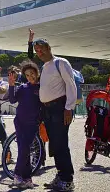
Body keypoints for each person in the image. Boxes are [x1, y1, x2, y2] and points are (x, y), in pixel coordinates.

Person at [32, 37, 76, 191]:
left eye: (41, 49)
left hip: (60, 108)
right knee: (55, 144)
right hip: (48, 110)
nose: (39, 53)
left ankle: (68, 180)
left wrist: (69, 108)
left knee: (61, 144)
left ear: (49, 47)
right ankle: (61, 175)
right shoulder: (45, 66)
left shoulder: (61, 63)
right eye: (37, 50)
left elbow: (71, 85)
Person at [8, 61, 42, 188]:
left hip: (33, 124)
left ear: (37, 73)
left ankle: (23, 177)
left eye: (32, 73)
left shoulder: (41, 88)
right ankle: (21, 177)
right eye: (27, 75)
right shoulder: (23, 87)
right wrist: (11, 86)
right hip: (20, 122)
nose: (30, 77)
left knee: (25, 149)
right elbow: (12, 100)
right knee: (24, 149)